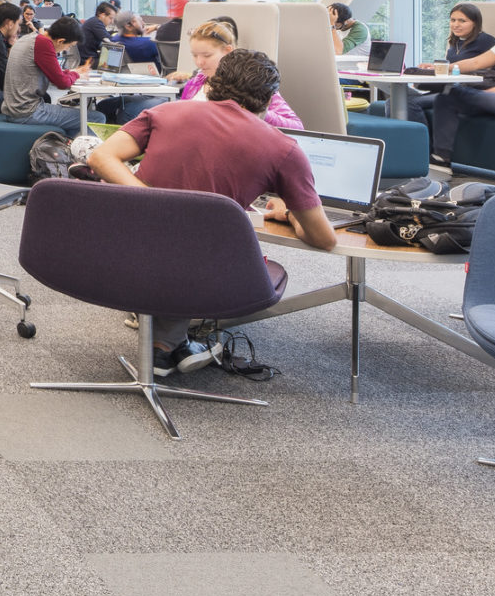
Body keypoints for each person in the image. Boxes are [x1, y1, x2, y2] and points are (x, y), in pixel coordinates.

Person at [87, 49, 335, 376]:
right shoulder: (283, 148)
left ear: (213, 83)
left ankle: (169, 346)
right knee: (210, 249)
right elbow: (323, 238)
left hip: (124, 253)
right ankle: (165, 347)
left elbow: (99, 158)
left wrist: (152, 201)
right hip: (204, 273)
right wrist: (288, 214)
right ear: (270, 98)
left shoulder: (166, 112)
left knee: (179, 242)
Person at [167, 20, 302, 128]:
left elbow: (296, 127)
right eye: (194, 55)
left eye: (207, 55)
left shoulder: (251, 84)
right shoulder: (195, 83)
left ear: (227, 50)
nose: (199, 62)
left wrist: (258, 111)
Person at [407, 3, 495, 136]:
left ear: (475, 23)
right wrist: (431, 69)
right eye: (453, 20)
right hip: (450, 88)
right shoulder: (455, 43)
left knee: (409, 103)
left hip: (470, 91)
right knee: (393, 102)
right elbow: (452, 70)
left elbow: (476, 64)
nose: (456, 24)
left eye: (462, 21)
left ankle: (422, 148)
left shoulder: (486, 40)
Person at [0, 14, 92, 137]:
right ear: (60, 41)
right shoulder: (44, 44)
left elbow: (52, 73)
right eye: (69, 46)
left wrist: (72, 73)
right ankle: (83, 153)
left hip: (13, 109)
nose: (67, 49)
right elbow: (62, 83)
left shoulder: (30, 38)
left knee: (76, 118)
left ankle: (69, 148)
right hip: (28, 112)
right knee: (94, 118)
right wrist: (76, 74)